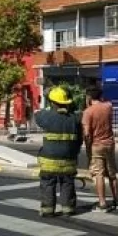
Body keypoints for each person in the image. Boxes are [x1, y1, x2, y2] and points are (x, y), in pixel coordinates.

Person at [34, 86, 83, 217]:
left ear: (52, 102)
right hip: (69, 159)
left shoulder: (46, 116)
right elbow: (80, 139)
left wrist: (47, 100)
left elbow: (37, 115)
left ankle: (48, 210)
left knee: (48, 183)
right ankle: (68, 208)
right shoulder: (75, 118)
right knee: (67, 183)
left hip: (49, 160)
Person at [82, 86, 118, 212]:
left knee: (98, 174)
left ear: (88, 97)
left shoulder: (88, 112)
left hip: (96, 145)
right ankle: (117, 201)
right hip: (109, 143)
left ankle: (102, 203)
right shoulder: (108, 107)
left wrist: (88, 148)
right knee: (112, 174)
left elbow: (87, 133)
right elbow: (106, 103)